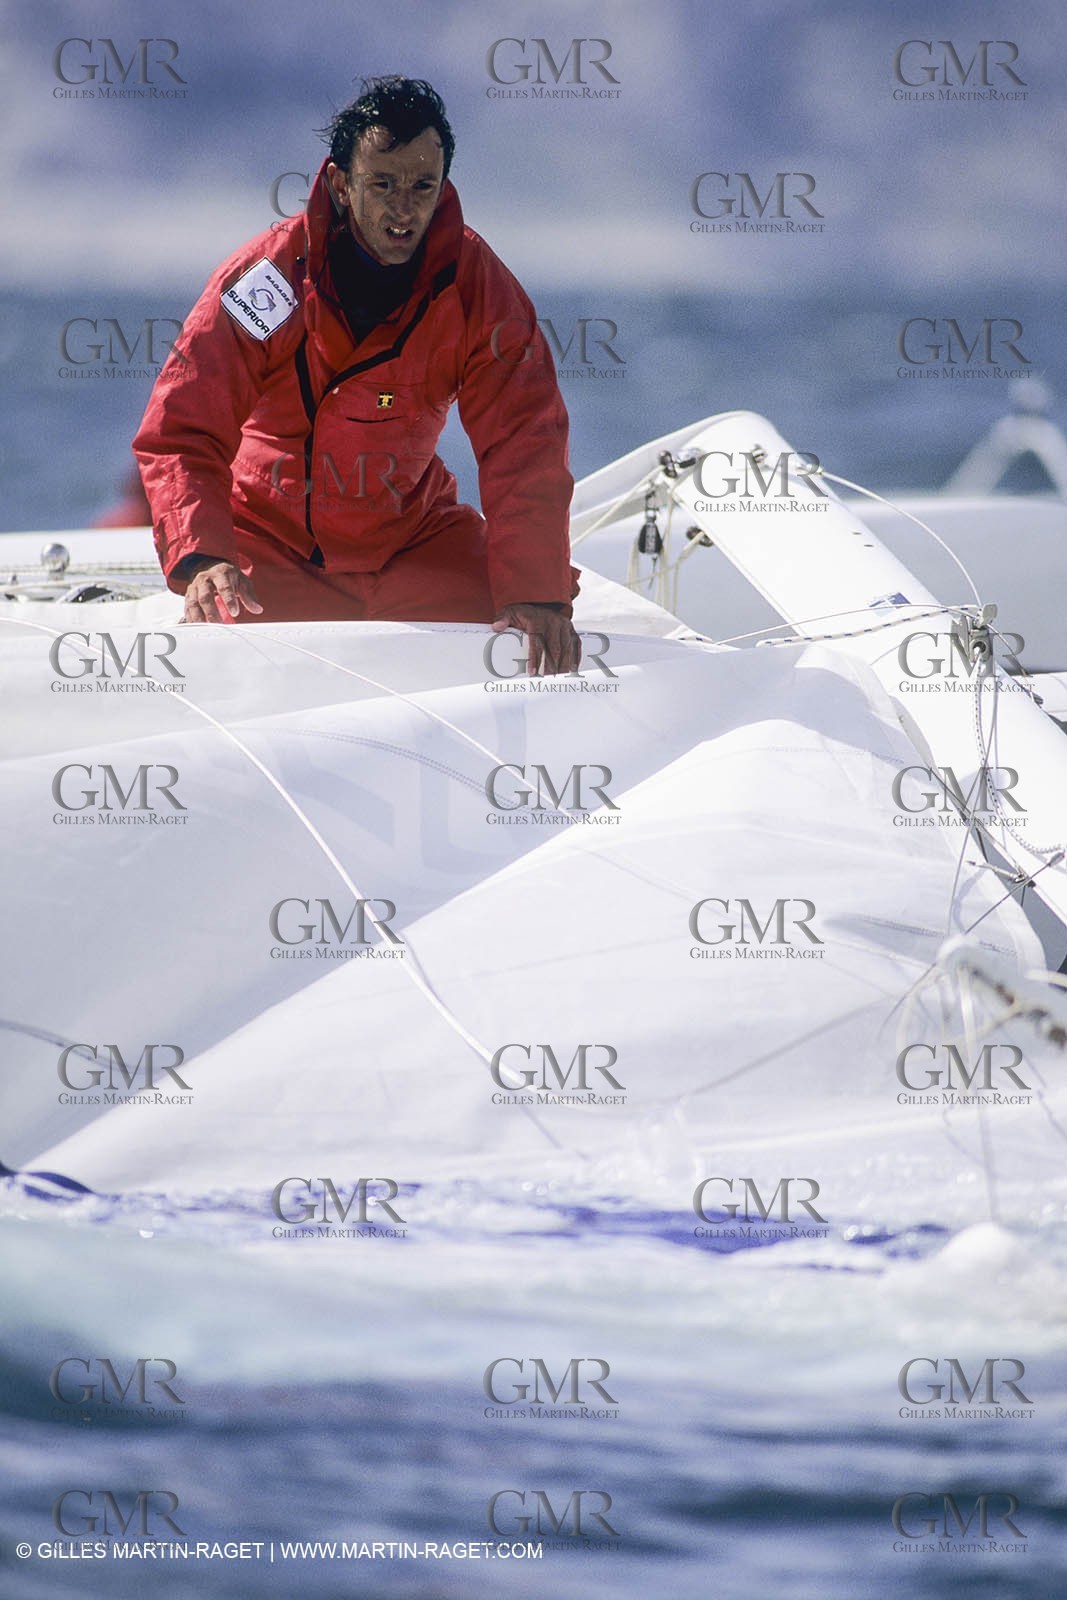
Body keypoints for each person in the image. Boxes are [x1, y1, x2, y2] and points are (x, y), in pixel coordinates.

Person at [133, 76, 581, 674]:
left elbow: (526, 443)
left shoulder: (479, 288)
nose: (404, 208)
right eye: (383, 183)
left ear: (443, 185)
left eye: (423, 185)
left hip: (413, 544)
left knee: (526, 627)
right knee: (220, 633)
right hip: (272, 547)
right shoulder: (270, 279)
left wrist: (537, 593)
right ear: (342, 184)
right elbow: (183, 429)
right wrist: (204, 558)